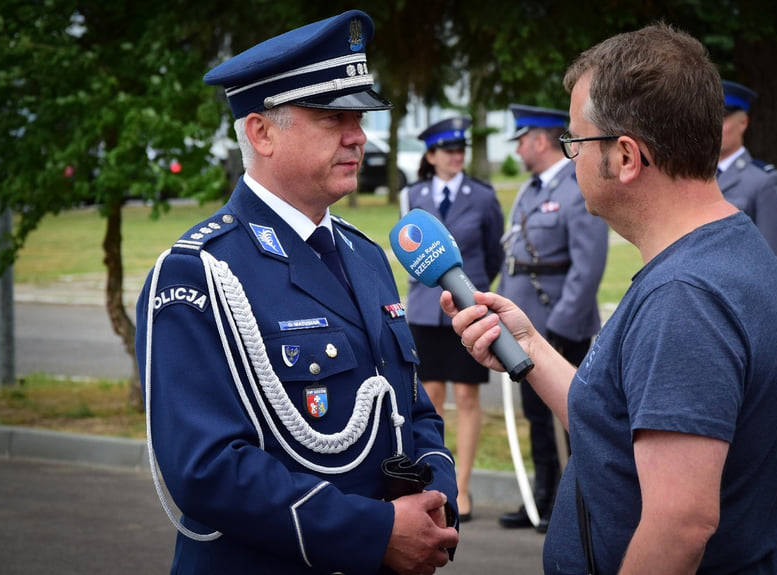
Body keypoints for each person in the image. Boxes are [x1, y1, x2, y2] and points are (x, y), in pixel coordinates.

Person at [442, 23, 777, 573]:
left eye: (576, 142)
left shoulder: (686, 299)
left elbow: (679, 527)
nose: (571, 159)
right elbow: (618, 425)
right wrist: (529, 346)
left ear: (627, 157)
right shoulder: (724, 248)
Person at [135, 10, 459, 575]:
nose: (359, 135)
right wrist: (377, 532)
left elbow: (412, 412)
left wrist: (434, 503)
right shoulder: (198, 272)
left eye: (359, 117)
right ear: (261, 132)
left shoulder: (366, 255)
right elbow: (207, 468)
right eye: (334, 117)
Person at [496, 104, 608, 534]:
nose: (520, 149)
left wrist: (562, 325)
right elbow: (514, 261)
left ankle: (576, 505)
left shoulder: (573, 186)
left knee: (571, 416)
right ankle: (542, 497)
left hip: (562, 326)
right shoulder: (529, 190)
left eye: (522, 140)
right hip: (526, 325)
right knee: (536, 416)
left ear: (540, 140)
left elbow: (588, 265)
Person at [399, 117, 505, 524]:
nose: (456, 156)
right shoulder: (412, 195)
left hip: (469, 309)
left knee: (466, 397)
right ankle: (433, 483)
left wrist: (472, 291)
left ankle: (462, 486)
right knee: (430, 398)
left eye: (461, 149)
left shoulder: (482, 195)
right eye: (448, 150)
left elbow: (493, 253)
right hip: (425, 313)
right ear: (431, 156)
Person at [717, 80, 777, 271]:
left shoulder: (764, 181)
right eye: (710, 116)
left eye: (723, 117)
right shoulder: (695, 175)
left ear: (743, 122)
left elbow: (774, 262)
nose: (714, 125)